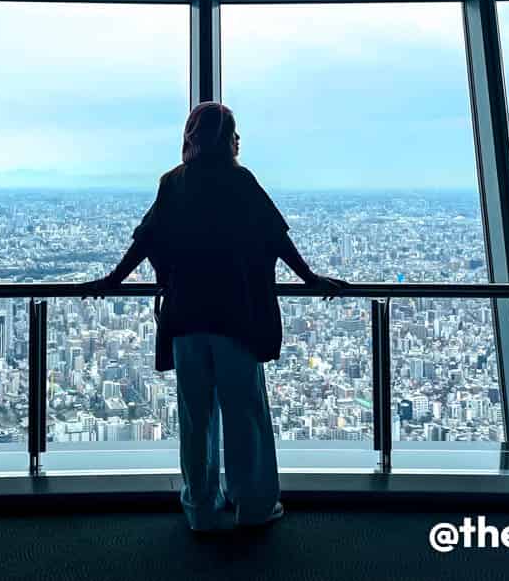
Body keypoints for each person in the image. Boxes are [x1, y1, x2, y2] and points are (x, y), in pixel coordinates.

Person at [81, 102, 346, 532]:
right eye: (235, 132)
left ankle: (201, 508)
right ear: (226, 139)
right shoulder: (239, 180)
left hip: (185, 315)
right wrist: (311, 279)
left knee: (195, 415)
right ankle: (255, 504)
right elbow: (275, 239)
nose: (239, 140)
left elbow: (146, 241)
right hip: (235, 315)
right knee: (244, 413)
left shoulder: (174, 182)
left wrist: (111, 280)